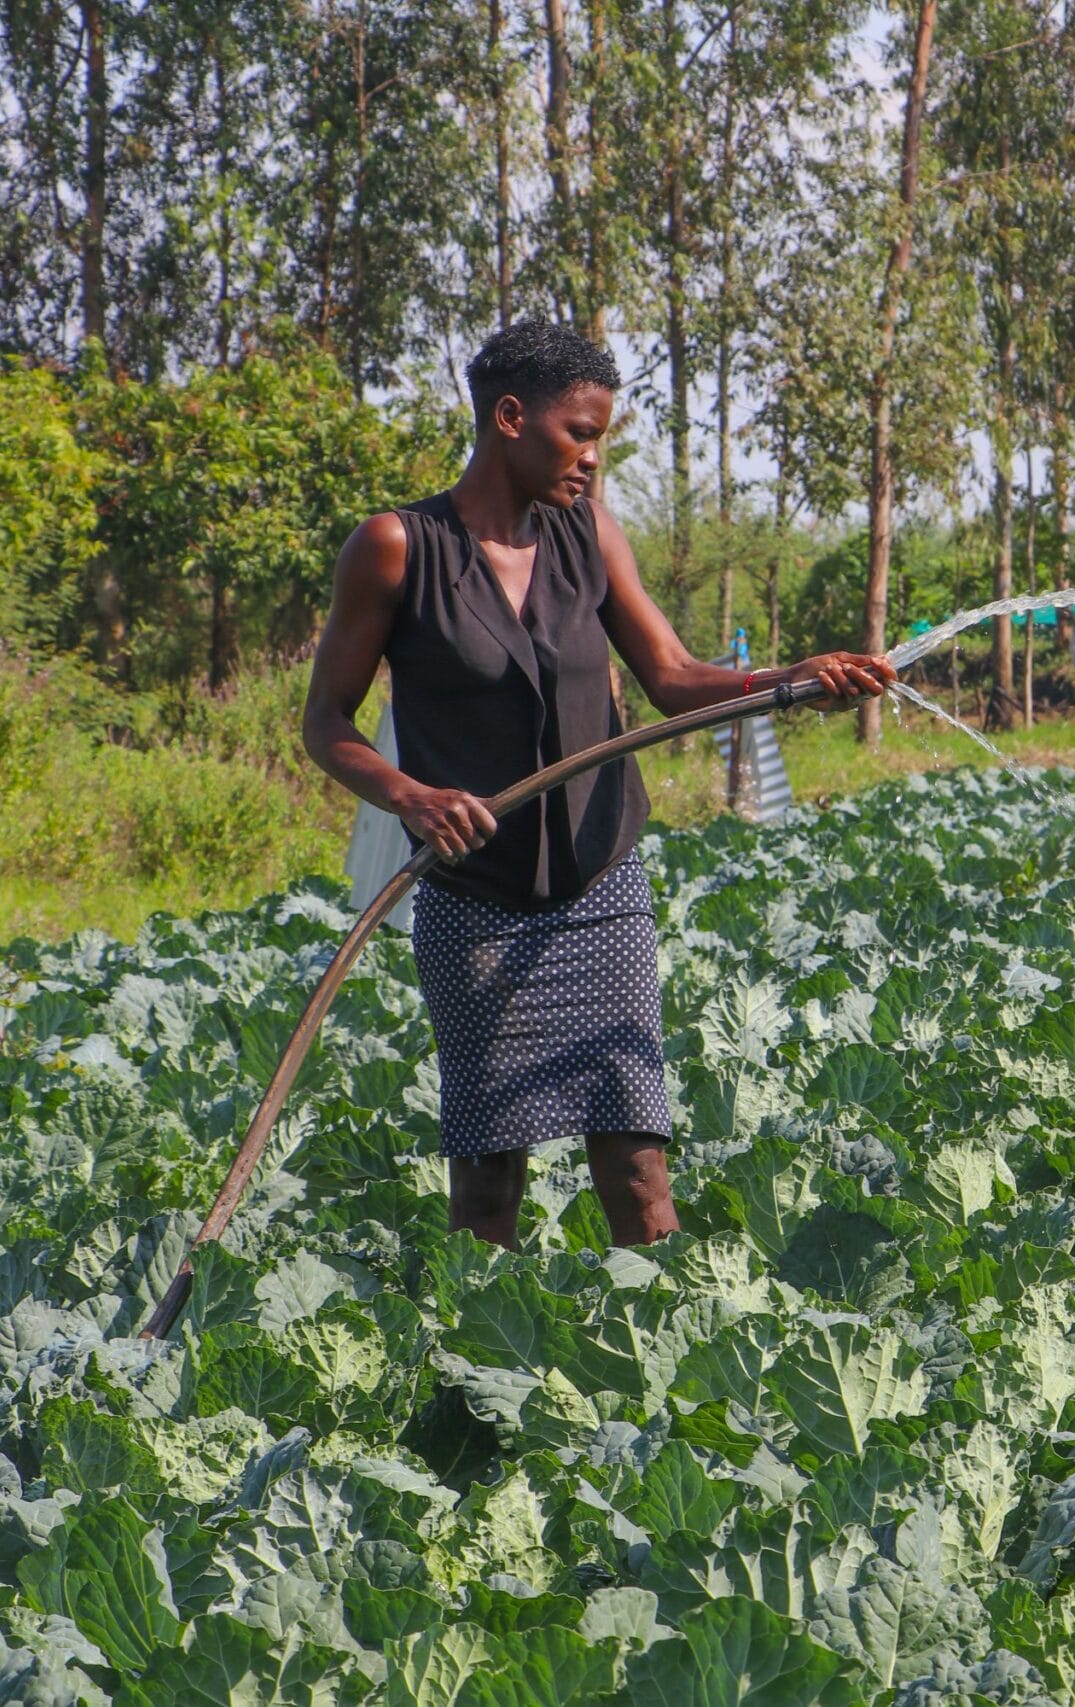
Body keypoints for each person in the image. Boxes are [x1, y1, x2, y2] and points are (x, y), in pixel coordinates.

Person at [302, 321, 892, 1250]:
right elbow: (325, 723)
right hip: (474, 900)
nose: (591, 457)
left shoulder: (587, 530)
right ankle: (484, 1372)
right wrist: (410, 796)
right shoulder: (396, 548)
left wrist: (791, 682)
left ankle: (664, 1361)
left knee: (638, 1168)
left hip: (599, 883)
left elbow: (673, 675)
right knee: (490, 1182)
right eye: (580, 432)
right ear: (509, 417)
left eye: (600, 437)